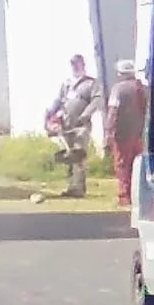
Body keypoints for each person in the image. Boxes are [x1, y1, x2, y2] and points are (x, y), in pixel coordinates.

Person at [45, 54, 102, 198]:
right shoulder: (67, 84)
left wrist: (85, 116)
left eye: (77, 64)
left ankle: (79, 188)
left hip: (81, 125)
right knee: (69, 155)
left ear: (83, 65)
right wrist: (50, 112)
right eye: (72, 64)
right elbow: (58, 100)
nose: (75, 67)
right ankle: (71, 186)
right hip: (66, 124)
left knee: (78, 154)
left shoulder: (91, 83)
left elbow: (96, 101)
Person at [105, 58, 149, 208]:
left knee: (122, 165)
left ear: (121, 73)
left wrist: (108, 131)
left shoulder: (118, 89)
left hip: (122, 133)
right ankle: (139, 197)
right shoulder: (142, 88)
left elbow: (113, 111)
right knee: (137, 166)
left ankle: (124, 197)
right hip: (140, 133)